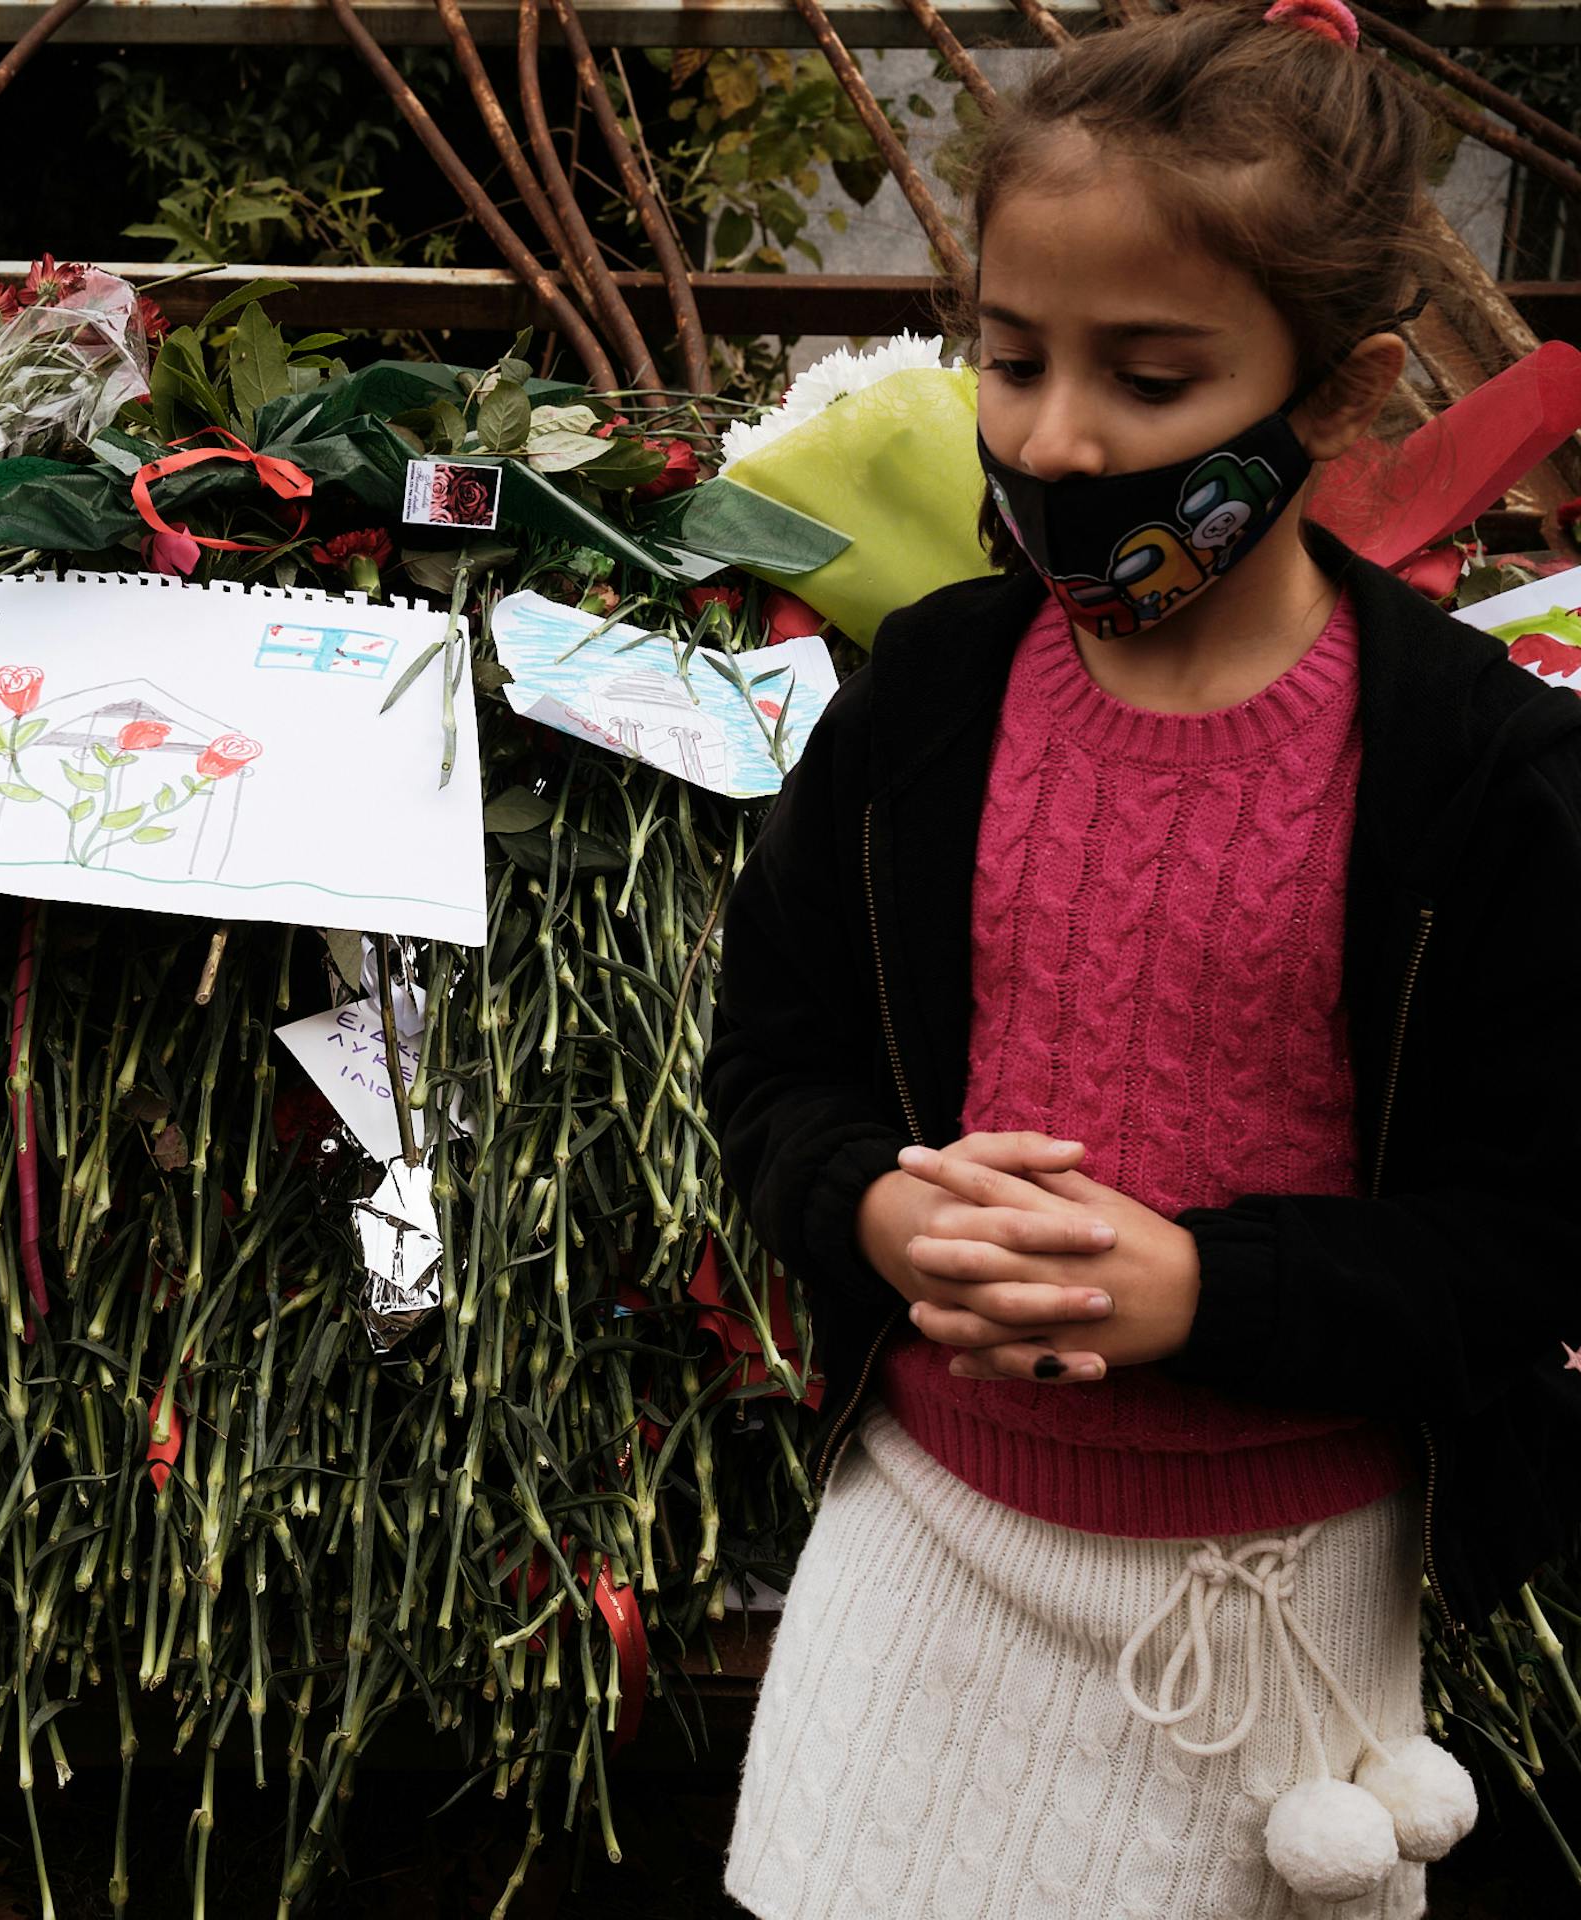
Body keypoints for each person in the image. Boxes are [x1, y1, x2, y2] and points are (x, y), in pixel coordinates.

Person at [705, 3, 1581, 1916]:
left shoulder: (1477, 776)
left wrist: (1212, 1291)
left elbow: (1536, 1226)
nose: (1054, 439)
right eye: (1008, 360)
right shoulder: (926, 700)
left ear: (1342, 394)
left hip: (1268, 1624)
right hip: (922, 1549)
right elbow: (770, 1062)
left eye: (1153, 378)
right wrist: (870, 1213)